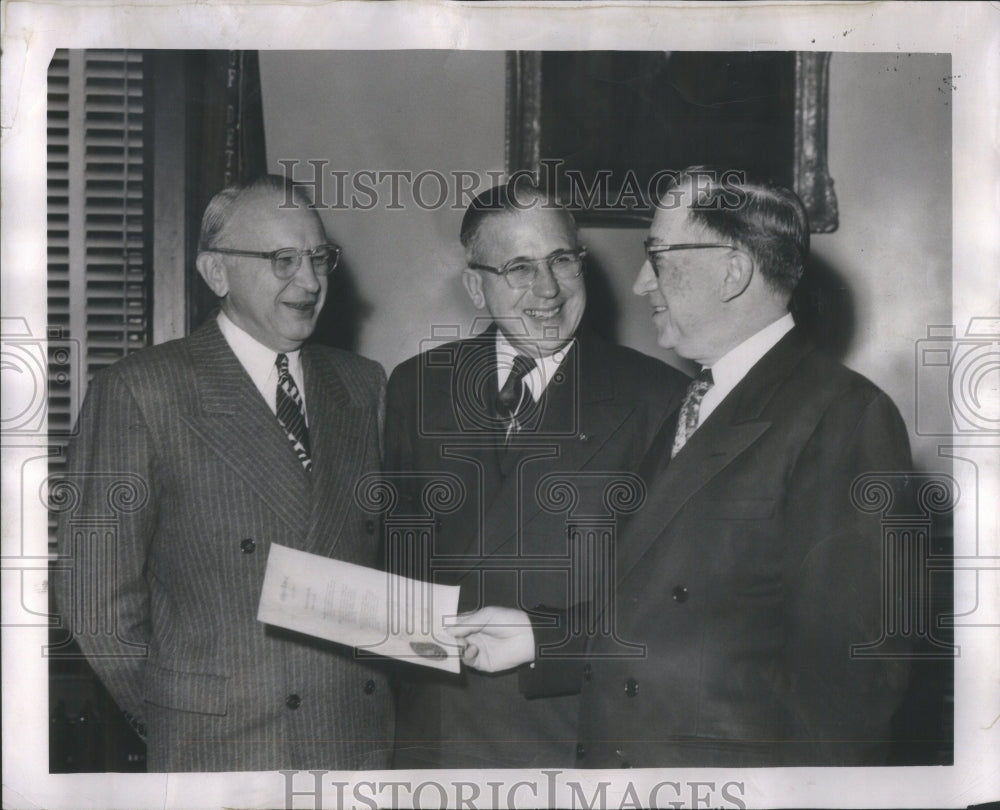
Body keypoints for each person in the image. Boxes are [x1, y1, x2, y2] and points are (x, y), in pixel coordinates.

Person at [454, 169, 915, 767]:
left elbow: (852, 691)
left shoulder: (844, 417)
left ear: (733, 271)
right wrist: (539, 637)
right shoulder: (697, 400)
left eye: (658, 255)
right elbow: (668, 606)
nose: (642, 281)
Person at [54, 175, 393, 771]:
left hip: (353, 742)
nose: (310, 282)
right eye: (283, 260)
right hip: (223, 750)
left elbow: (377, 564)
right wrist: (183, 709)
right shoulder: (141, 390)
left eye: (319, 258)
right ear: (216, 273)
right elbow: (95, 602)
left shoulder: (363, 385)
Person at [386, 183, 688, 768]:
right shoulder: (416, 387)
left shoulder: (659, 399)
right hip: (433, 746)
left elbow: (666, 607)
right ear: (477, 286)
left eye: (562, 260)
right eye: (520, 268)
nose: (548, 289)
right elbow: (396, 562)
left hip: (565, 740)